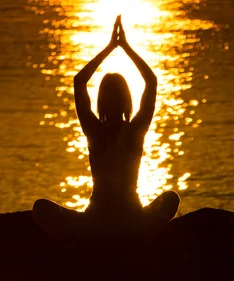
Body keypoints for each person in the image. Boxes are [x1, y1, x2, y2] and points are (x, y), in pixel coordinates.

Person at [33, 16, 180, 239]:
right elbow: (150, 81)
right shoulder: (134, 131)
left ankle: (80, 241)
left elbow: (79, 81)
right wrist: (123, 47)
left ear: (100, 101)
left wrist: (111, 47)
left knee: (41, 207)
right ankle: (141, 236)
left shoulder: (95, 131)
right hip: (132, 220)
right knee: (170, 199)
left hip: (96, 221)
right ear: (127, 100)